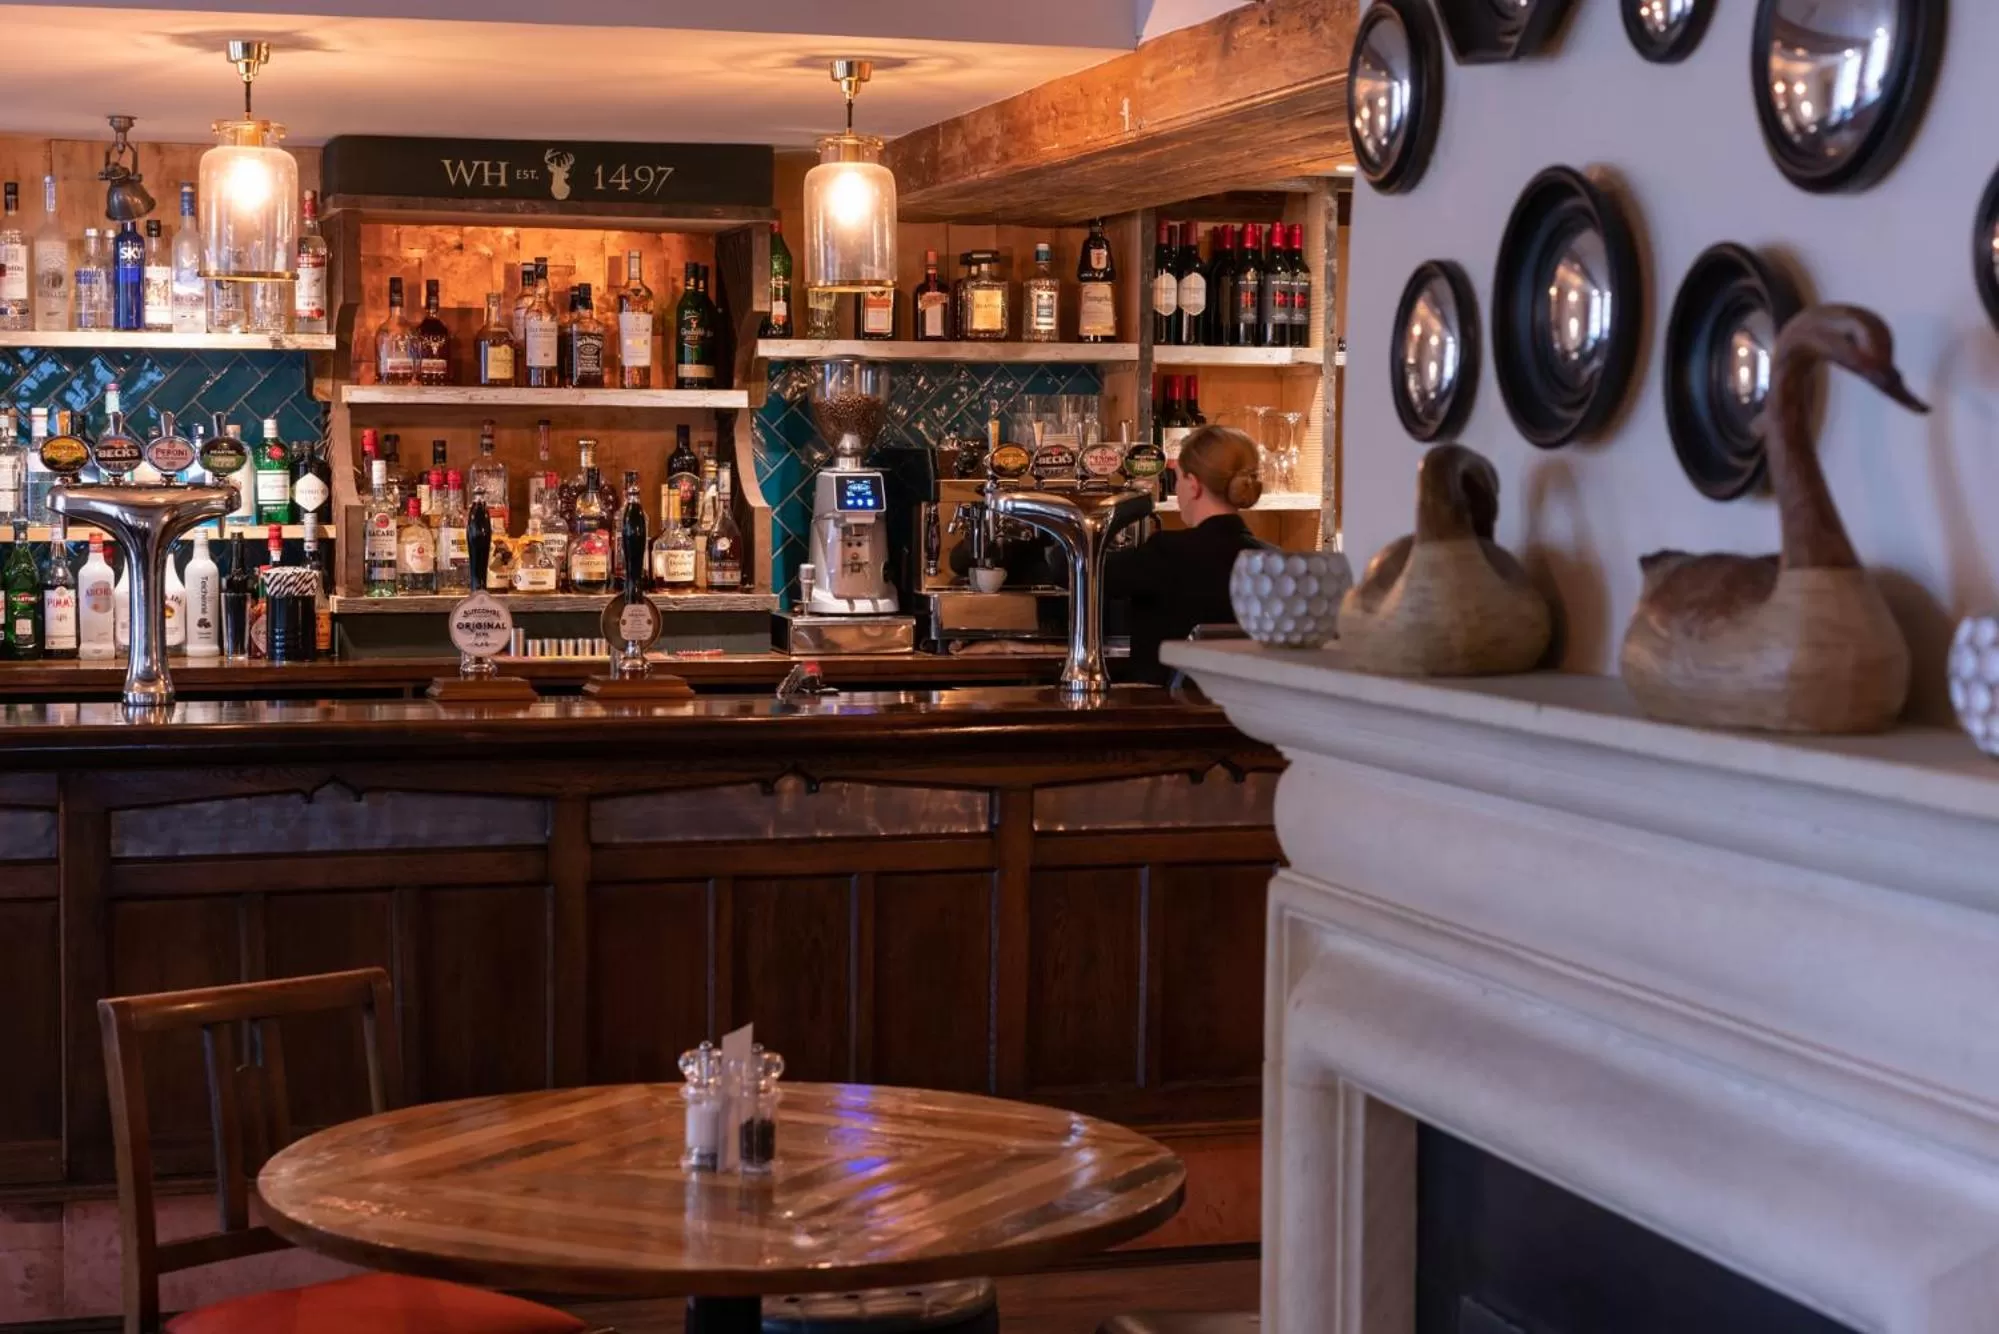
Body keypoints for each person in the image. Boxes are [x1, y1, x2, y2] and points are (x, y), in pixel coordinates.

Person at [1105, 424, 1266, 684]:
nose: (1177, 490)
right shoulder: (1274, 560)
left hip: (1166, 718)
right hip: (1246, 719)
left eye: (1177, 478)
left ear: (1193, 485)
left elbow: (1082, 573)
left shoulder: (1165, 553)